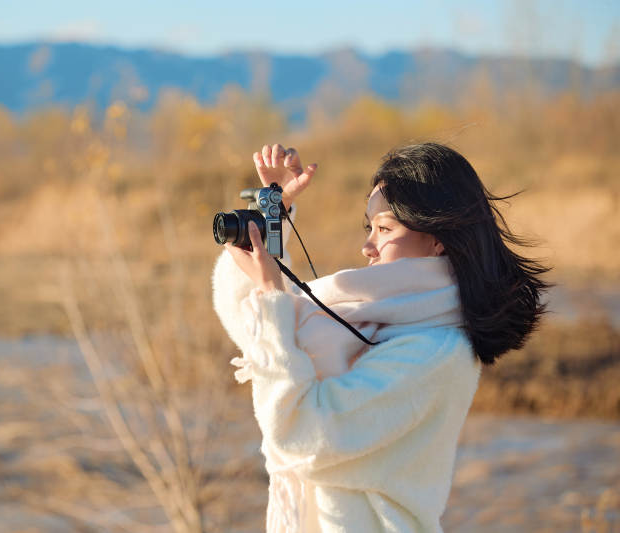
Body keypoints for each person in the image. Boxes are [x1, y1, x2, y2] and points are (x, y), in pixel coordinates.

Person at [211, 142, 549, 532]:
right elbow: (254, 330)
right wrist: (275, 215)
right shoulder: (371, 317)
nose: (367, 246)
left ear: (439, 237)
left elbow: (303, 436)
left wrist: (273, 298)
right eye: (368, 226)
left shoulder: (435, 351)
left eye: (384, 228)